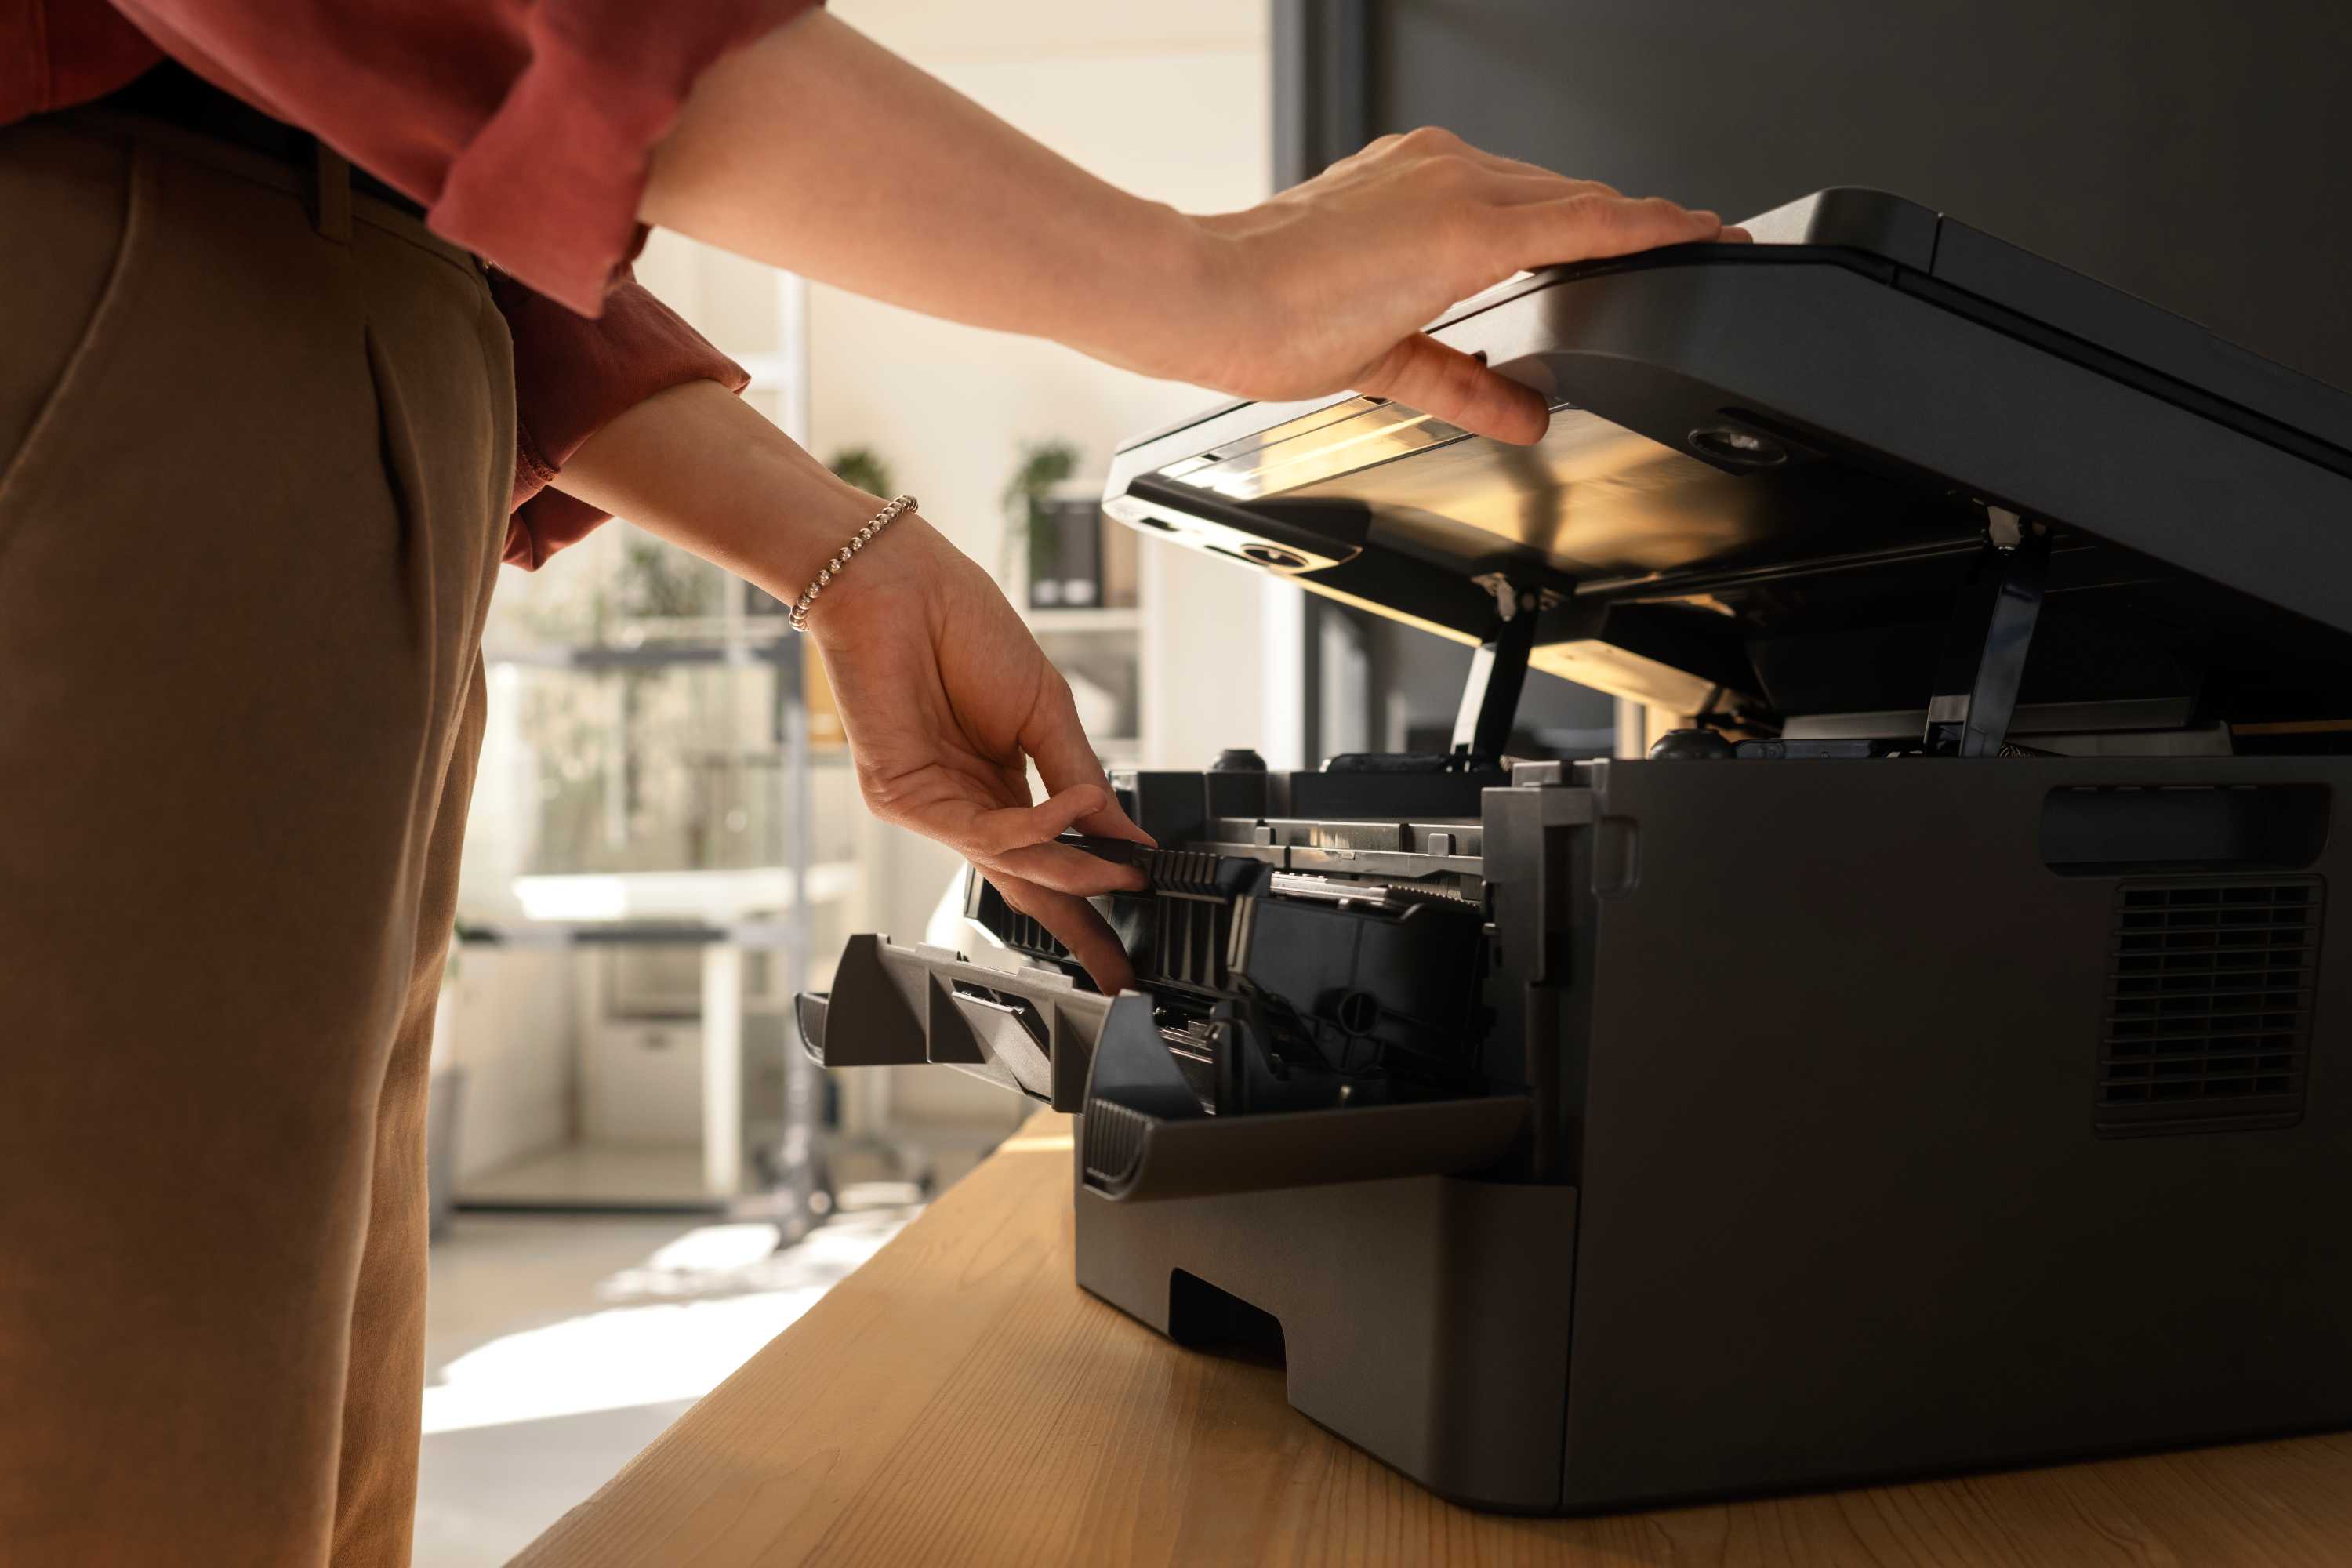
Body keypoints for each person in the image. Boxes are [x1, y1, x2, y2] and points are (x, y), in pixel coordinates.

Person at [0, 4, 1743, 1562]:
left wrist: (847, 558)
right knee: (134, 1457)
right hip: (147, 287)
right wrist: (1202, 281)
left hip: (352, 332)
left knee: (288, 1468)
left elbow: (441, 191)